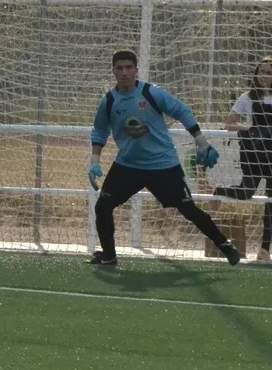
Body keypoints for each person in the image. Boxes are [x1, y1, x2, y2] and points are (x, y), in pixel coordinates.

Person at [88, 49, 240, 266]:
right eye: (119, 68)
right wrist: (95, 162)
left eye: (128, 68)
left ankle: (225, 245)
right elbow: (100, 131)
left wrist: (202, 142)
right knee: (103, 206)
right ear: (113, 72)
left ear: (136, 70)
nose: (124, 72)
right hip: (129, 165)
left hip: (163, 165)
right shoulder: (109, 102)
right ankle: (109, 256)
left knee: (188, 209)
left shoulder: (152, 93)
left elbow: (182, 111)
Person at [211, 56, 272, 262]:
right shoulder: (247, 98)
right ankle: (219, 191)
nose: (265, 76)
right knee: (246, 191)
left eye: (269, 73)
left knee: (271, 202)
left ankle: (264, 249)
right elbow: (229, 122)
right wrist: (247, 129)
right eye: (262, 72)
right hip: (253, 153)